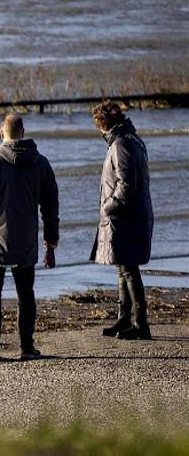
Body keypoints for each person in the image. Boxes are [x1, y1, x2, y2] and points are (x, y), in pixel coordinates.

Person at [0, 114, 59, 361]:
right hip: (26, 241)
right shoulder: (41, 163)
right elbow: (50, 207)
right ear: (23, 132)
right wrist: (51, 240)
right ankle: (26, 347)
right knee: (25, 293)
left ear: (1, 133)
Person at [89, 100, 154, 340]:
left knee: (128, 269)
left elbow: (126, 184)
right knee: (122, 267)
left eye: (99, 126)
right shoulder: (130, 139)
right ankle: (124, 318)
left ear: (104, 124)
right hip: (131, 214)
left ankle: (140, 324)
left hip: (126, 216)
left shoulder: (122, 144)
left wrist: (108, 207)